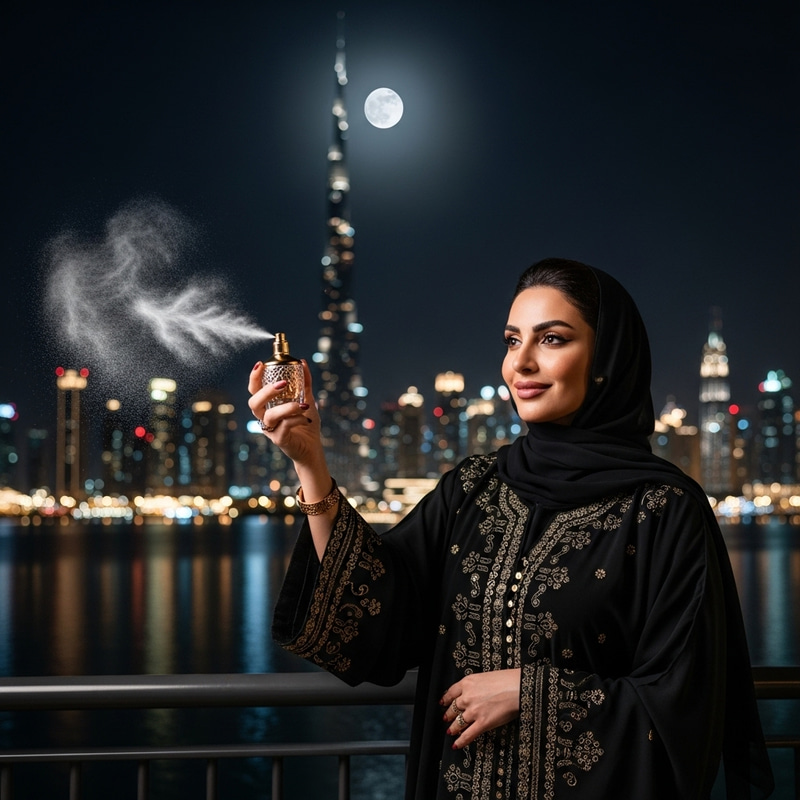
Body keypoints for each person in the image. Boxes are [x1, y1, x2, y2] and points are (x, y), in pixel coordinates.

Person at [247, 258, 774, 799]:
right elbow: (378, 610)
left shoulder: (663, 510)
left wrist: (533, 691)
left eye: (551, 339)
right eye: (511, 339)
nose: (520, 363)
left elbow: (686, 704)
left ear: (605, 359)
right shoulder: (473, 489)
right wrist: (309, 462)